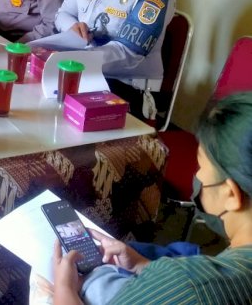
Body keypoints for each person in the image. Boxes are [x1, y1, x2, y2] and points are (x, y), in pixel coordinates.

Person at [51, 92, 252, 305]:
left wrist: (63, 288)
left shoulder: (188, 285)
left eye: (201, 166)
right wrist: (143, 265)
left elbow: (187, 290)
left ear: (230, 193)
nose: (198, 176)